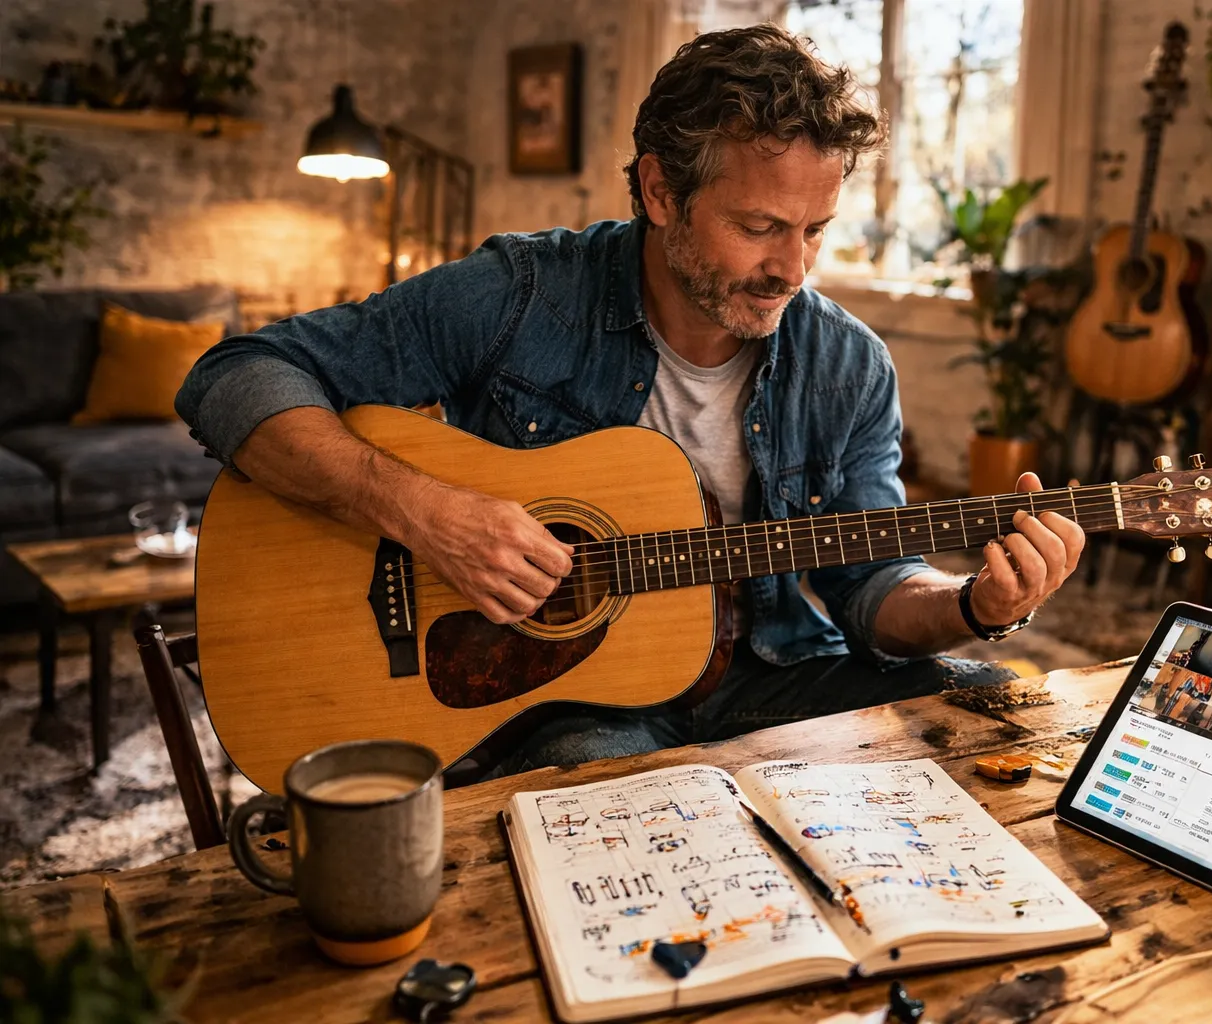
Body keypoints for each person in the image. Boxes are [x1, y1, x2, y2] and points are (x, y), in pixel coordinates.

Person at [176, 24, 1084, 777]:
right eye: (759, 227)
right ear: (660, 189)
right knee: (620, 805)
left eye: (815, 231)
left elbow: (868, 584)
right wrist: (426, 512)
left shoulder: (846, 363)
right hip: (563, 703)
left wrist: (974, 603)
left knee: (992, 709)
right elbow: (234, 374)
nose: (791, 270)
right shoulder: (521, 294)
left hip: (773, 673)